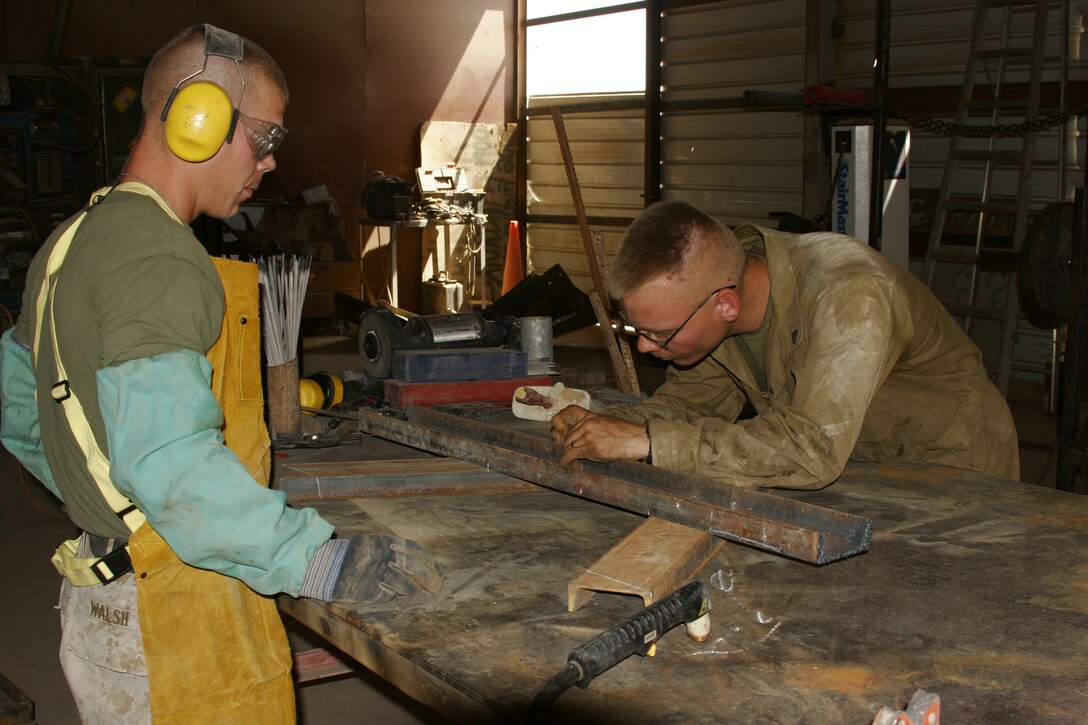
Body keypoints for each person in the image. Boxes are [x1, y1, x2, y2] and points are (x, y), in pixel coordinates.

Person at [0, 24, 442, 724]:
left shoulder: (71, 238)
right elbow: (173, 467)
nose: (268, 164)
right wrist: (315, 560)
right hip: (167, 618)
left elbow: (22, 402)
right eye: (264, 139)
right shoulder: (159, 257)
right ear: (197, 119)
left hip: (98, 602)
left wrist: (105, 498)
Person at [552, 200, 1020, 488]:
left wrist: (646, 442)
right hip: (869, 466)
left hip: (957, 473)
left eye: (660, 335)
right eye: (638, 333)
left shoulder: (851, 294)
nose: (646, 350)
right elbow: (691, 408)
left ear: (726, 304)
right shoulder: (718, 305)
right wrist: (607, 425)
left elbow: (811, 451)